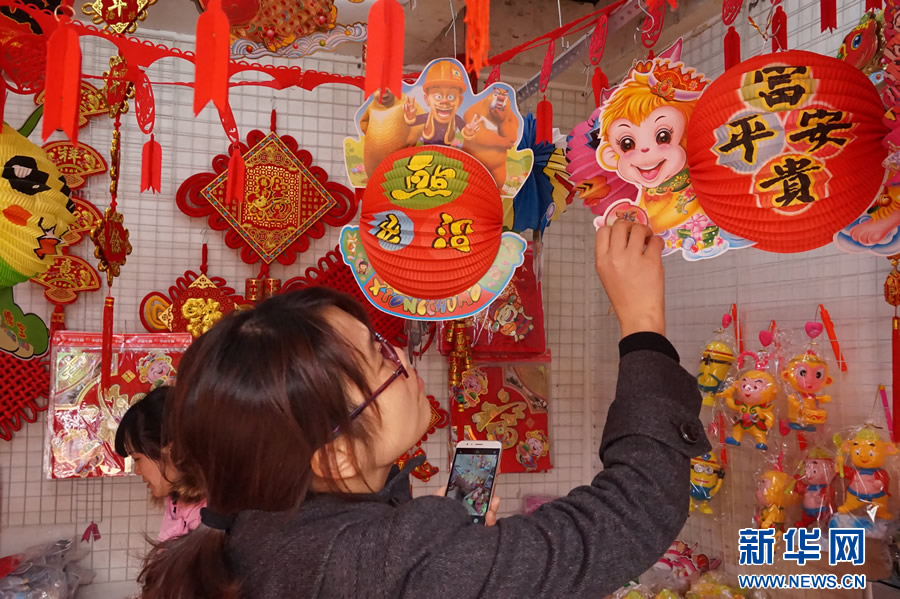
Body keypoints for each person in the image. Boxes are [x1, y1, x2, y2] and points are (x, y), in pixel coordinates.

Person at [138, 220, 710, 599]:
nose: (408, 364)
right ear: (336, 456)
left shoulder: (255, 528)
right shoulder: (396, 558)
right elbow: (627, 516)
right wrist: (643, 326)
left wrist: (425, 533)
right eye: (383, 360)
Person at [114, 387, 206, 542]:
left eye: (137, 459)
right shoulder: (178, 502)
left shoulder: (208, 518)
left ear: (172, 449)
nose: (137, 471)